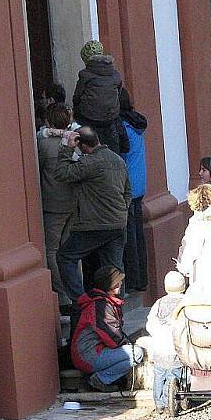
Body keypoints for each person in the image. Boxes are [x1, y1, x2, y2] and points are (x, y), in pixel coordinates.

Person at [54, 127, 132, 304]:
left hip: (94, 225)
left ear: (82, 145)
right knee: (114, 270)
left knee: (65, 257)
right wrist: (121, 210)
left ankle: (82, 303)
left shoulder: (90, 162)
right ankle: (116, 310)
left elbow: (61, 174)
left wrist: (67, 148)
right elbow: (128, 192)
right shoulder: (117, 160)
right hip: (118, 223)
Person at [71, 265, 144, 392]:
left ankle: (101, 378)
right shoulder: (101, 306)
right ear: (110, 285)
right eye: (118, 281)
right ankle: (100, 379)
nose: (121, 283)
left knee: (132, 351)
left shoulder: (102, 302)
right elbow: (111, 335)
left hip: (90, 352)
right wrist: (129, 344)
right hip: (89, 355)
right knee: (136, 354)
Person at [37, 103, 77, 311]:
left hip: (53, 203)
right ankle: (75, 291)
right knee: (68, 250)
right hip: (72, 202)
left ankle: (63, 297)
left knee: (51, 250)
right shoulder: (75, 140)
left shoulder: (44, 145)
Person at [72, 41, 128, 155]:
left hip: (89, 119)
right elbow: (119, 92)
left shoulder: (85, 74)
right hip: (110, 118)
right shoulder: (115, 74)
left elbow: (77, 97)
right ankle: (123, 143)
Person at [119, 89, 148, 292]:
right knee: (138, 234)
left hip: (127, 186)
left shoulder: (122, 127)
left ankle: (132, 280)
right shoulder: (136, 124)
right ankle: (141, 278)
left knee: (129, 237)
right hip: (139, 183)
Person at [146, 270, 186, 413]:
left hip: (160, 348)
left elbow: (150, 324)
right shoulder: (185, 302)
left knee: (159, 376)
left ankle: (159, 403)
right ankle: (170, 401)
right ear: (184, 286)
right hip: (175, 347)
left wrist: (157, 333)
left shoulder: (159, 303)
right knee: (173, 375)